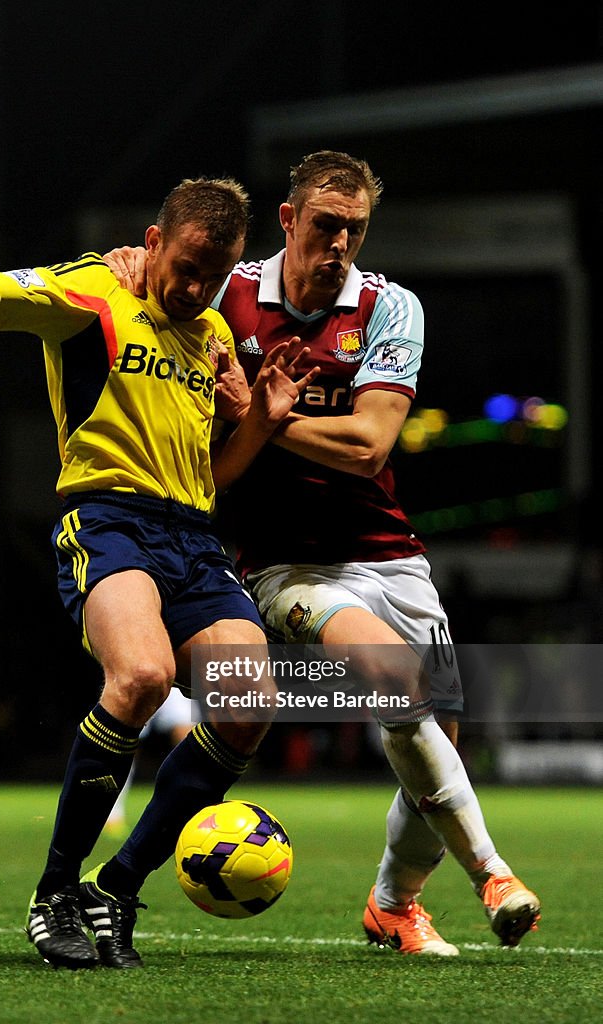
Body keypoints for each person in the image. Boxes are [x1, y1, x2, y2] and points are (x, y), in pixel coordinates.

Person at [103, 150, 541, 955]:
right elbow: (152, 281)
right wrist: (127, 263)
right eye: (325, 226)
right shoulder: (230, 293)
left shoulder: (389, 307)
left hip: (388, 552)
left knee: (437, 732)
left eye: (355, 230)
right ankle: (492, 873)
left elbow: (370, 444)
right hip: (281, 564)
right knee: (388, 675)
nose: (339, 244)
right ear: (288, 220)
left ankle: (393, 903)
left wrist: (262, 417)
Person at [0, 141, 318, 971]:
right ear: (155, 240)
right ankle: (56, 889)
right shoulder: (99, 289)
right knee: (141, 678)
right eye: (189, 265)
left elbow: (215, 476)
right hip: (108, 520)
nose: (198, 287)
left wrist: (263, 421)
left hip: (195, 537)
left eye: (217, 273)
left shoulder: (209, 336)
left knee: (249, 704)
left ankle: (117, 886)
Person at [104, 687, 198, 839]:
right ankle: (112, 813)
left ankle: (196, 812)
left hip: (176, 680)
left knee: (190, 739)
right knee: (126, 744)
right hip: (141, 676)